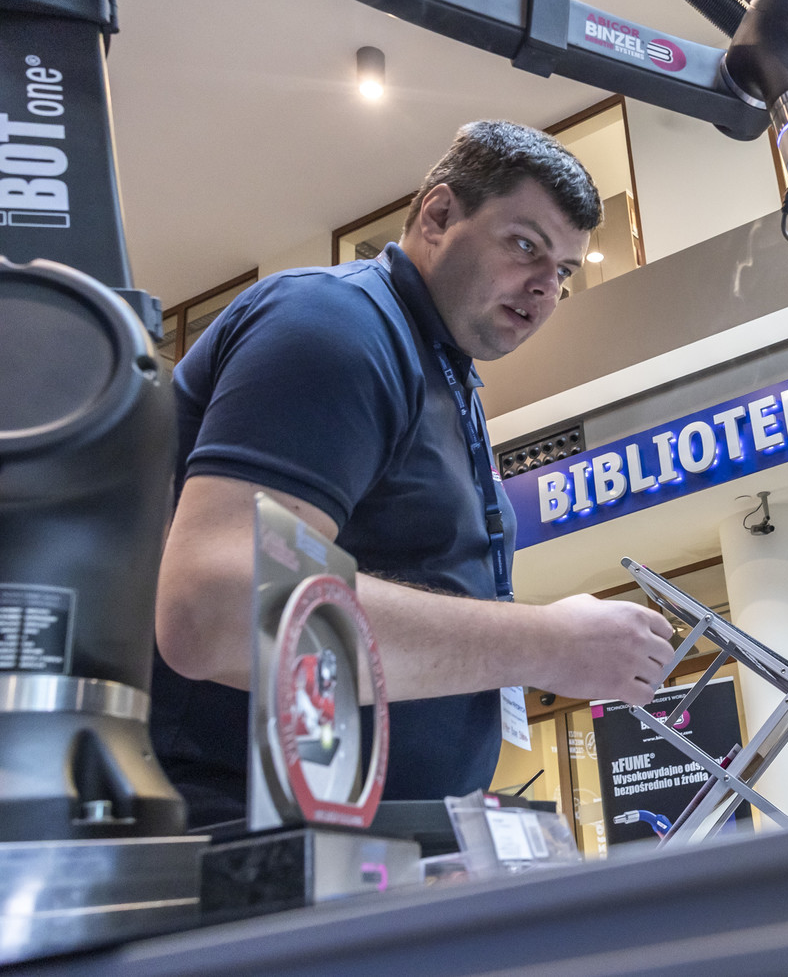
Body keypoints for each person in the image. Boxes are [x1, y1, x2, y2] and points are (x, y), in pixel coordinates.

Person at [153, 121, 675, 826]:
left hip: (360, 846)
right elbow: (216, 609)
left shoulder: (443, 374)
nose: (545, 287)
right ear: (438, 215)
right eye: (526, 245)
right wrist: (548, 644)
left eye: (564, 271)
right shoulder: (334, 325)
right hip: (242, 844)